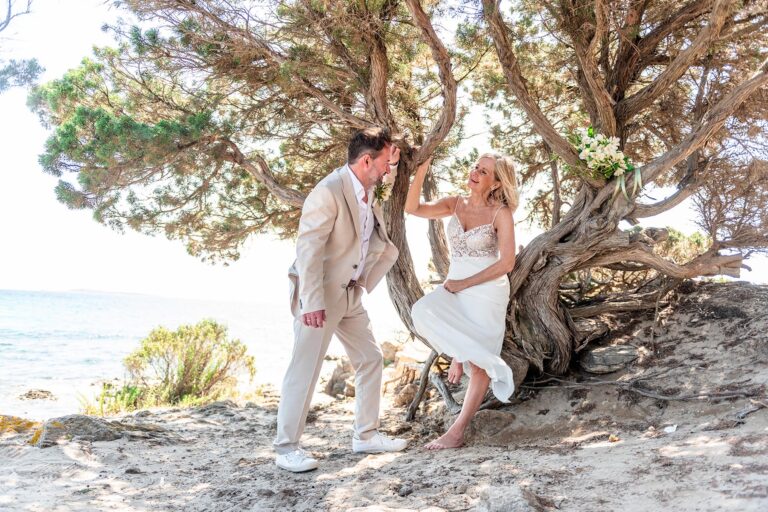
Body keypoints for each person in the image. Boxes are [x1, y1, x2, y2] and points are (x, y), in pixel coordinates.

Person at [274, 127, 408, 472]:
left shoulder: (365, 189)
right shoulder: (328, 191)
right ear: (366, 161)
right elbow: (308, 248)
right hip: (320, 294)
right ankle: (286, 448)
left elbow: (368, 232)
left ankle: (365, 435)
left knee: (370, 358)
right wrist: (312, 301)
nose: (388, 170)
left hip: (351, 293)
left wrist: (391, 155)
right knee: (305, 368)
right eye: (385, 163)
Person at [406, 153, 519, 450]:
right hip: (455, 287)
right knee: (422, 310)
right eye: (475, 167)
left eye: (484, 171)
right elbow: (412, 207)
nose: (476, 173)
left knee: (480, 365)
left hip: (487, 291)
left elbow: (507, 262)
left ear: (496, 182)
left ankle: (457, 432)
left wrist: (464, 284)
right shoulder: (454, 203)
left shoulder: (501, 213)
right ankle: (459, 355)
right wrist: (421, 170)